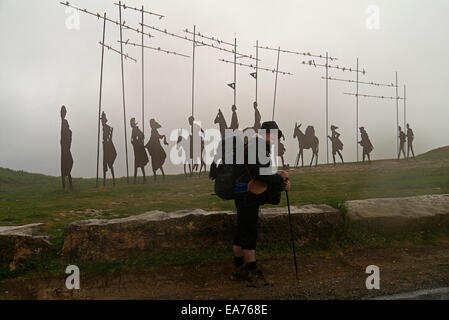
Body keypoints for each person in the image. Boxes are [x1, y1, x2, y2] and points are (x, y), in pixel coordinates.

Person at [231, 121, 291, 287]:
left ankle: (238, 269)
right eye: (273, 135)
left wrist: (278, 180)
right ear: (265, 133)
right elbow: (261, 173)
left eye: (277, 137)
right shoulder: (257, 147)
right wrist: (281, 178)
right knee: (249, 232)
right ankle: (252, 272)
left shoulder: (255, 146)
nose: (275, 139)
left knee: (242, 230)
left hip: (242, 193)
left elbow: (260, 173)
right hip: (247, 196)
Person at [130, 117, 149, 184]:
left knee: (139, 164)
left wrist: (137, 141)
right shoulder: (133, 130)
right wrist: (133, 142)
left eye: (131, 123)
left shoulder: (136, 129)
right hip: (136, 149)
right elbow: (132, 139)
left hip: (138, 149)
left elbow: (142, 135)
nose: (130, 124)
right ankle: (137, 180)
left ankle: (141, 179)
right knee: (137, 164)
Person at [101, 112, 117, 186]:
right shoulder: (103, 127)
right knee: (104, 163)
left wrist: (106, 140)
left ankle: (113, 180)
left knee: (109, 163)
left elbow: (109, 134)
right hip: (105, 146)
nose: (101, 122)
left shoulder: (106, 127)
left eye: (102, 120)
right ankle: (104, 182)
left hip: (107, 147)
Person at [60, 105, 73, 190]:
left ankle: (69, 184)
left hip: (66, 148)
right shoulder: (63, 122)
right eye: (62, 112)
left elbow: (69, 133)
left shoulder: (65, 122)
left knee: (69, 162)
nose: (62, 114)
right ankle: (65, 185)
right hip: (63, 148)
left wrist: (67, 144)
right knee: (64, 165)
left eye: (64, 112)